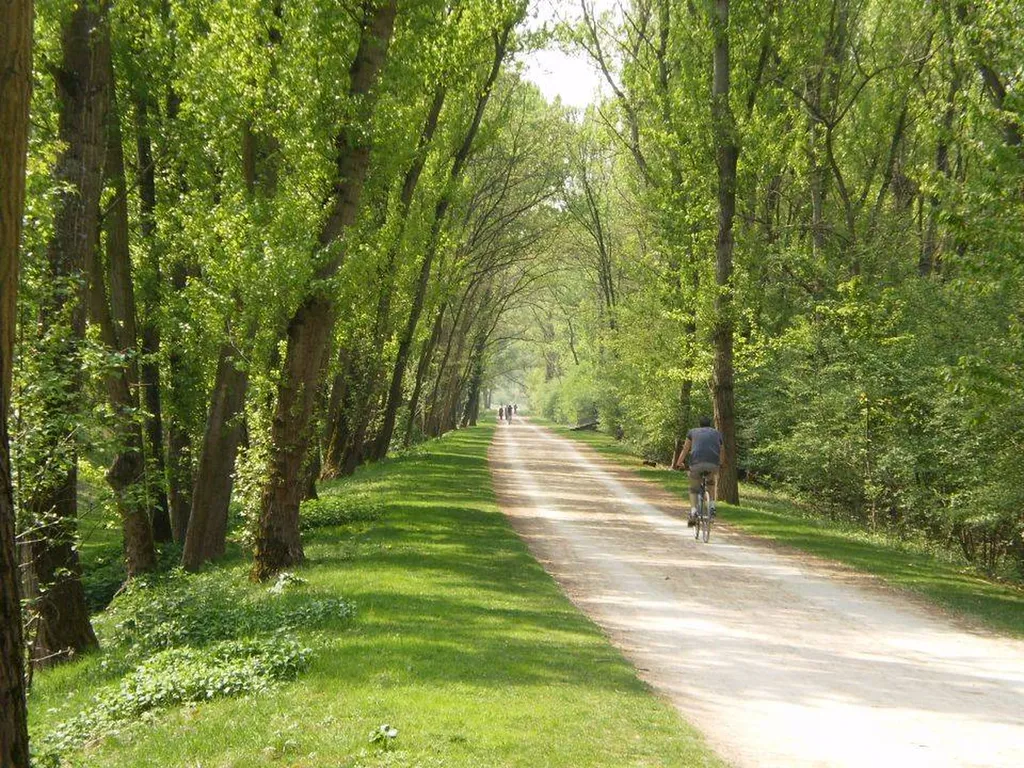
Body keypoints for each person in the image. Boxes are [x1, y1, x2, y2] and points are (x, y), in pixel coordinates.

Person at [672, 415, 723, 526]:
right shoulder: (717, 433)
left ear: (700, 424)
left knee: (694, 487)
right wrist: (721, 463)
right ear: (710, 424)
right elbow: (721, 450)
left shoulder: (692, 432)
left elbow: (685, 449)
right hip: (713, 464)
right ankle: (712, 506)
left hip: (696, 463)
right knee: (711, 483)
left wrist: (679, 463)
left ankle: (694, 511)